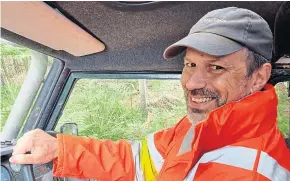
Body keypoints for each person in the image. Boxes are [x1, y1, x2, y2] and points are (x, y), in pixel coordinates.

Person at [9, 7, 290, 181]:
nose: (192, 83)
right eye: (190, 64)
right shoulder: (201, 128)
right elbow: (136, 160)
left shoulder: (254, 172)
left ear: (259, 77)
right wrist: (61, 149)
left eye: (216, 67)